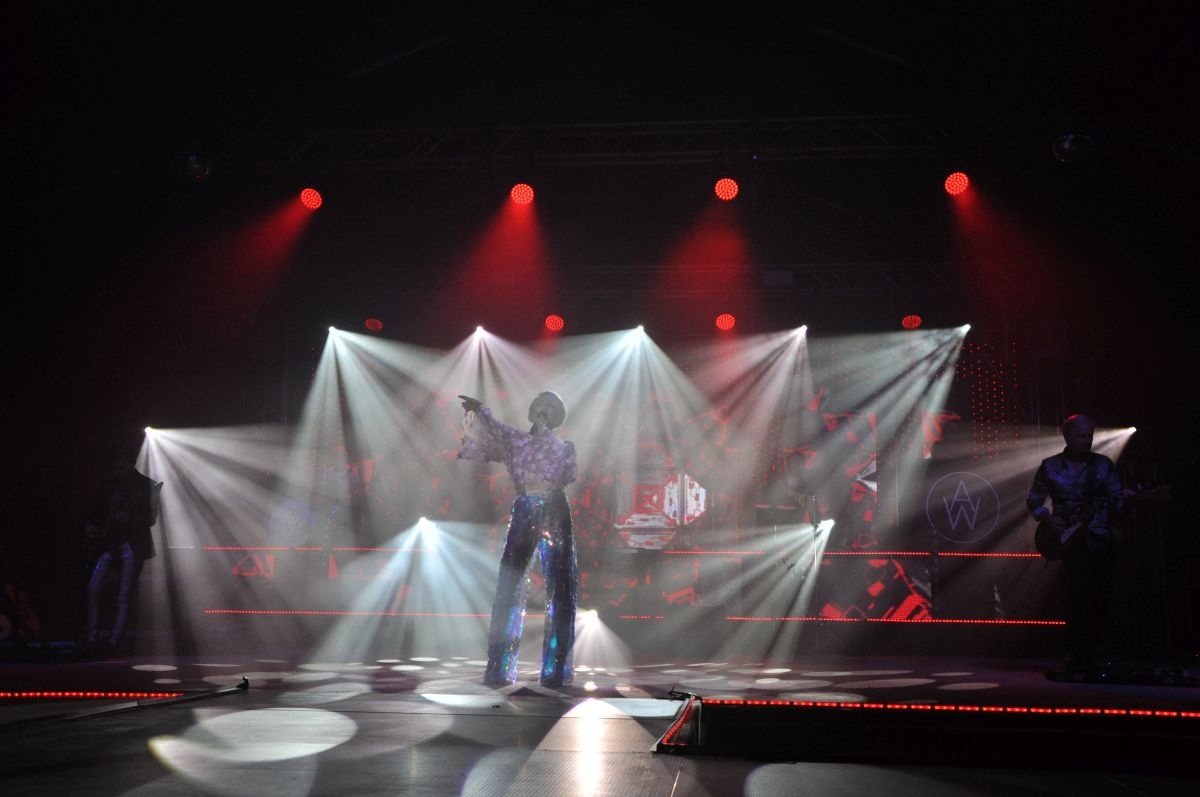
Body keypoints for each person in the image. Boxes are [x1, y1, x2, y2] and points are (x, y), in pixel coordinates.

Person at [457, 391, 578, 687]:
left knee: (560, 589)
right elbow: (495, 430)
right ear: (531, 409)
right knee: (509, 585)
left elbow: (561, 474)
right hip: (525, 509)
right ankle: (500, 668)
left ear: (558, 416)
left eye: (550, 407)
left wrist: (545, 436)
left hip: (554, 509)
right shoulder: (515, 441)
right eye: (540, 404)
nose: (543, 409)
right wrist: (480, 410)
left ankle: (556, 671)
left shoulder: (564, 447)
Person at [1026, 414, 1131, 679]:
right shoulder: (1050, 466)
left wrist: (1123, 501)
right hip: (1069, 541)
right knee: (1079, 593)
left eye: (1090, 435)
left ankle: (1094, 651)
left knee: (1100, 595)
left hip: (1099, 537)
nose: (1088, 440)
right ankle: (1075, 651)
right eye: (1082, 436)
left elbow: (1117, 501)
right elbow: (1034, 500)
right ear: (1068, 437)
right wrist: (1048, 519)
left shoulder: (1102, 465)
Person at [82, 444, 159, 658]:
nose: (118, 471)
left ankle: (114, 640)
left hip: (130, 544)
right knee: (93, 589)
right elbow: (95, 510)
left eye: (121, 467)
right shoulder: (109, 484)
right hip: (107, 543)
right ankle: (92, 638)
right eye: (115, 468)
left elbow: (151, 518)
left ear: (132, 464)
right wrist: (90, 525)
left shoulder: (147, 485)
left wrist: (131, 519)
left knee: (124, 594)